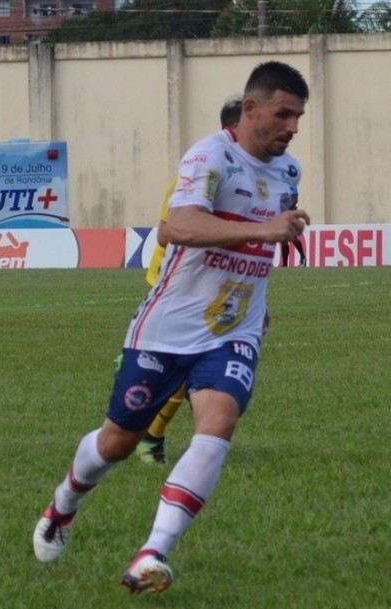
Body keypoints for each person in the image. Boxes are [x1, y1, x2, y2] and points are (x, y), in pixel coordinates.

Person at [32, 61, 310, 594]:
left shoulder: (289, 172)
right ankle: (64, 504)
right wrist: (266, 227)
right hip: (169, 326)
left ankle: (151, 553)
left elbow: (262, 242)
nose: (293, 127)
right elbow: (177, 226)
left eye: (298, 117)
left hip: (234, 329)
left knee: (218, 421)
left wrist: (260, 294)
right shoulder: (210, 156)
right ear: (251, 109)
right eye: (283, 114)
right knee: (117, 441)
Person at [135, 95, 244, 466]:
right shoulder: (200, 168)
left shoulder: (246, 172)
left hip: (216, 285)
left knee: (200, 368)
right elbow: (168, 232)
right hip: (178, 282)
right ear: (236, 129)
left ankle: (158, 435)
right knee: (187, 368)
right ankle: (150, 435)